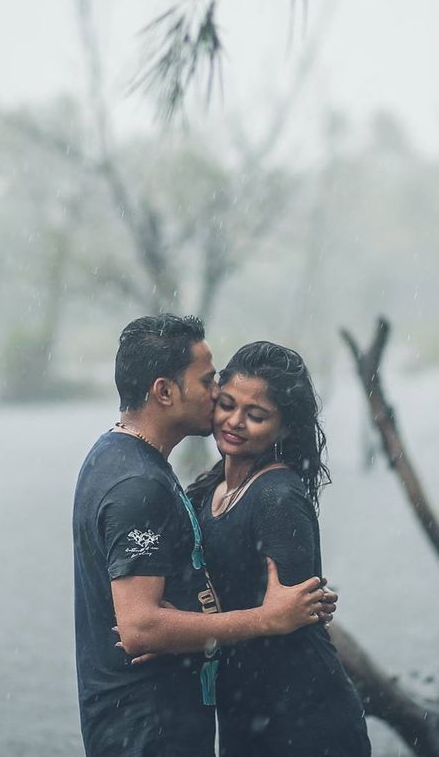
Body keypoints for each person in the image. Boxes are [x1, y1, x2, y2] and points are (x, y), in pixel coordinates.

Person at [73, 315, 334, 757]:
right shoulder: (139, 485)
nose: (216, 394)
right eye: (210, 381)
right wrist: (261, 619)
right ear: (164, 391)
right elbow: (140, 628)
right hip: (148, 726)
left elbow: (295, 615)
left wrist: (185, 624)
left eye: (254, 413)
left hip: (271, 721)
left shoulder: (118, 457)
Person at [188, 341, 371, 757]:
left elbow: (291, 618)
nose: (234, 422)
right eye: (227, 404)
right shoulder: (211, 489)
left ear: (284, 428)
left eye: (255, 415)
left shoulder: (277, 497)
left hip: (302, 715)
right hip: (244, 705)